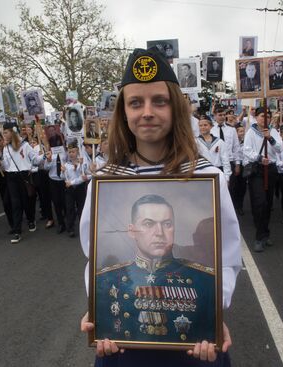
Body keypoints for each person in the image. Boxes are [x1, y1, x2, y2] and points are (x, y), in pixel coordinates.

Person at [79, 47, 240, 366]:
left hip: (194, 342)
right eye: (135, 102)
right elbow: (93, 255)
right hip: (123, 344)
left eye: (159, 101)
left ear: (176, 108)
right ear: (123, 112)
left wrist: (212, 310)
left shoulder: (206, 176)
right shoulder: (105, 182)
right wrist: (97, 305)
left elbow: (227, 257)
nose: (147, 111)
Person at [94, 194, 216, 342]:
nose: (159, 232)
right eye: (148, 223)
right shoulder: (106, 279)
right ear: (132, 231)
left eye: (167, 224)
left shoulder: (204, 279)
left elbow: (209, 332)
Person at [242, 106, 283, 252]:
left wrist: (270, 138)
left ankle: (265, 232)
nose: (264, 119)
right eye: (261, 116)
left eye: (267, 116)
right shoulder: (250, 132)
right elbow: (246, 150)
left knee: (268, 203)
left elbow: (279, 149)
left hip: (270, 170)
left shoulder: (273, 132)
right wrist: (259, 158)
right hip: (257, 170)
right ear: (256, 117)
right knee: (259, 202)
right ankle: (259, 237)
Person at [0, 122, 42, 243]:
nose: (4, 135)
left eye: (6, 132)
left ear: (12, 132)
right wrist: (0, 159)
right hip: (11, 177)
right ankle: (17, 231)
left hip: (24, 175)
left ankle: (31, 220)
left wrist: (44, 156)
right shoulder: (6, 148)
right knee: (15, 203)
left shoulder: (25, 145)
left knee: (26, 201)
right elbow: (6, 166)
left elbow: (35, 160)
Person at [195, 115, 231, 181]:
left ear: (211, 126)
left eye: (205, 125)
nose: (203, 127)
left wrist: (227, 177)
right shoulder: (195, 142)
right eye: (200, 125)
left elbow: (225, 160)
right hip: (201, 173)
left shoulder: (219, 142)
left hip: (217, 172)